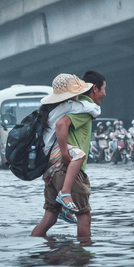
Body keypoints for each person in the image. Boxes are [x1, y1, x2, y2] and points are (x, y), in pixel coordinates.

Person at [31, 71, 106, 240]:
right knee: (84, 216)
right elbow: (62, 125)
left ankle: (36, 251)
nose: (105, 93)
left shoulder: (58, 108)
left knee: (49, 219)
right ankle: (83, 260)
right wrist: (65, 154)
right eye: (104, 88)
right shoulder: (83, 110)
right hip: (66, 170)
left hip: (50, 169)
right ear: (94, 89)